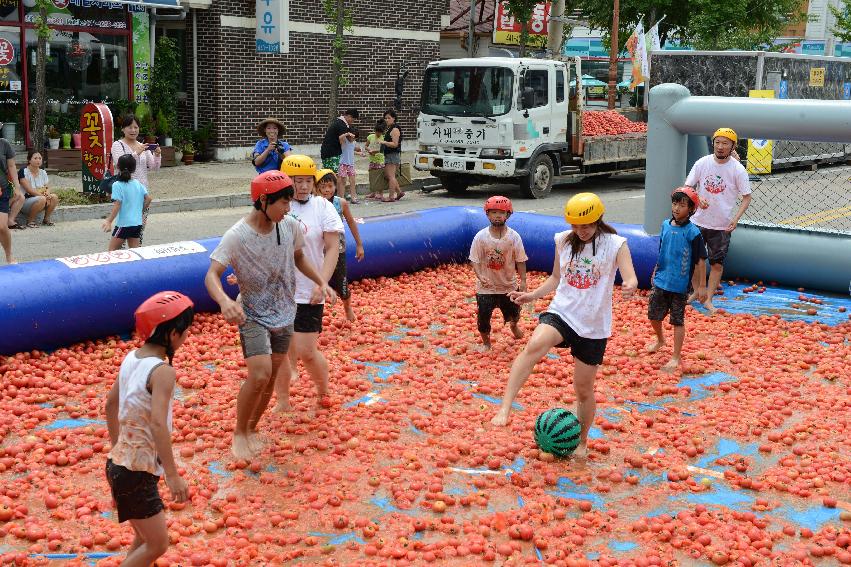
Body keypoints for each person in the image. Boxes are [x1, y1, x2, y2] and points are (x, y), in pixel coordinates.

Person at [490, 193, 638, 458]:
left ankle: (582, 442)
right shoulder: (562, 241)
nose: (581, 231)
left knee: (582, 389)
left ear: (598, 220)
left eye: (587, 226)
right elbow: (556, 277)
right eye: (576, 226)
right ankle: (505, 407)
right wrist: (532, 295)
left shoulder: (615, 244)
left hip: (593, 324)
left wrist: (630, 284)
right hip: (563, 311)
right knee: (535, 344)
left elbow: (630, 275)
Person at [205, 171, 333, 460]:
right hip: (251, 313)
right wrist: (225, 301)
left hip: (285, 312)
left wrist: (320, 282)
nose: (289, 208)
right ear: (263, 200)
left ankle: (251, 429)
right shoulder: (237, 236)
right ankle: (239, 432)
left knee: (271, 376)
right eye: (284, 203)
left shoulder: (288, 227)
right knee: (260, 373)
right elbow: (212, 274)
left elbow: (299, 257)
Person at [104, 291, 194, 567]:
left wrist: (119, 448)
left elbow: (110, 405)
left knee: (144, 539)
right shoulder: (163, 371)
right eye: (186, 331)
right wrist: (172, 475)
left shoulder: (131, 358)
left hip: (119, 465)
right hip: (136, 473)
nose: (187, 337)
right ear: (173, 334)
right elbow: (157, 423)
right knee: (157, 544)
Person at [273, 155, 343, 414]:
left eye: (307, 181)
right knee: (278, 352)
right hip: (280, 291)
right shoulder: (276, 206)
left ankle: (323, 390)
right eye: (296, 181)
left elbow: (333, 247)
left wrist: (321, 282)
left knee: (306, 350)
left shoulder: (322, 207)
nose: (302, 186)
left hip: (309, 290)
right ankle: (282, 400)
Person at [685, 127, 752, 314]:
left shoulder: (738, 170)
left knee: (716, 263)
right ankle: (695, 292)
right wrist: (697, 198)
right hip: (698, 221)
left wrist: (735, 219)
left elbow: (747, 196)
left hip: (721, 225)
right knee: (693, 259)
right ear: (713, 143)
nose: (720, 147)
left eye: (725, 143)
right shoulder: (702, 163)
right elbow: (688, 187)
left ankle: (708, 299)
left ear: (733, 146)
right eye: (717, 142)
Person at [646, 187, 708, 372]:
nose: (677, 208)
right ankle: (660, 339)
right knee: (653, 315)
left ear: (691, 209)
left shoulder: (693, 232)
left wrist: (702, 287)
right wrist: (656, 270)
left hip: (680, 285)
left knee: (677, 320)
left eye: (682, 205)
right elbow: (662, 250)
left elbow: (701, 261)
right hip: (661, 280)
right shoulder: (665, 225)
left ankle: (675, 356)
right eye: (675, 203)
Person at [469, 196, 528, 350]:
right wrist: (479, 275)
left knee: (514, 314)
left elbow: (520, 260)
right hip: (486, 287)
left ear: (508, 215)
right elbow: (474, 259)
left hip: (508, 286)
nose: (497, 216)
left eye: (501, 213)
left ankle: (514, 326)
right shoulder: (480, 237)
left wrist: (523, 281)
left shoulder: (514, 237)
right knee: (483, 319)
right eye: (493, 212)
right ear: (487, 215)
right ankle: (487, 344)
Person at [315, 168, 365, 322]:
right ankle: (316, 314)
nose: (326, 190)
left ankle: (347, 308)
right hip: (318, 251)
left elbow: (351, 222)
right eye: (322, 187)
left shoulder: (340, 203)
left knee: (341, 281)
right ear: (316, 189)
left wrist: (359, 244)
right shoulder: (314, 204)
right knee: (317, 282)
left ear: (335, 186)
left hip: (338, 250)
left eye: (330, 186)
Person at [102, 154, 153, 251]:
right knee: (135, 253)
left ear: (118, 167)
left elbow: (117, 205)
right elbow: (149, 199)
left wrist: (109, 221)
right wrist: (140, 211)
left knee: (111, 252)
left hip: (124, 224)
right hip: (137, 224)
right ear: (134, 169)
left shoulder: (117, 185)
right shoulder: (138, 183)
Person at [320, 109, 359, 198]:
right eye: (353, 120)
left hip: (327, 152)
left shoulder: (338, 122)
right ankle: (335, 197)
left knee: (331, 175)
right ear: (349, 116)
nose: (352, 122)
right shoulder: (342, 125)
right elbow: (341, 141)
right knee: (336, 177)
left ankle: (334, 196)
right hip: (332, 153)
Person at [18, 151, 60, 227]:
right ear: (29, 160)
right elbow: (29, 190)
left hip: (41, 199)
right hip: (25, 202)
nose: (38, 160)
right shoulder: (23, 171)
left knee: (54, 197)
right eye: (35, 158)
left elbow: (47, 187)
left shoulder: (43, 172)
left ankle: (46, 219)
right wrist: (44, 197)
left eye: (40, 158)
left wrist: (48, 194)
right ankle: (30, 221)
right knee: (42, 199)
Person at [0, 135, 22, 264]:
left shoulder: (4, 144)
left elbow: (12, 166)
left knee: (2, 227)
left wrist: (17, 187)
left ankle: (9, 255)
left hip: (3, 190)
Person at [379, 109, 403, 202]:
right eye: (385, 118)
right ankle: (399, 192)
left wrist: (384, 142)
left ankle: (391, 196)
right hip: (389, 154)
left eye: (389, 118)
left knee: (391, 176)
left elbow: (395, 144)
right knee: (388, 175)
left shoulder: (395, 129)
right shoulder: (390, 129)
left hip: (392, 154)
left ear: (394, 118)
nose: (387, 120)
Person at [338, 126, 362, 203]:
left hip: (351, 164)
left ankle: (353, 198)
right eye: (353, 137)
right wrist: (347, 133)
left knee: (353, 181)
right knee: (343, 181)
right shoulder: (344, 141)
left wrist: (359, 153)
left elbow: (351, 151)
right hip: (343, 164)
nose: (354, 139)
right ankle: (341, 198)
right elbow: (339, 137)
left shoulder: (353, 142)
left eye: (355, 138)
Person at [365, 120, 386, 200]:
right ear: (375, 131)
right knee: (372, 176)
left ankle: (380, 193)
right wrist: (369, 150)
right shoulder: (370, 137)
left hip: (380, 160)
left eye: (380, 132)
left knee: (380, 177)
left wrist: (374, 151)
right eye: (377, 132)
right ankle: (373, 192)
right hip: (372, 160)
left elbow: (382, 150)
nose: (378, 134)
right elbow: (366, 146)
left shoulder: (383, 138)